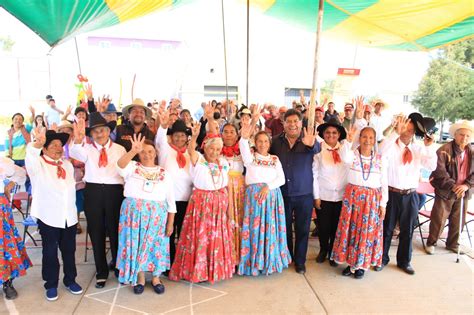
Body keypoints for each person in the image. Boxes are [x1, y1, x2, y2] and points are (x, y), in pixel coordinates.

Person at [169, 124, 234, 283]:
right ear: (205, 147)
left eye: (218, 149)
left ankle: (215, 271)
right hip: (201, 205)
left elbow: (228, 187)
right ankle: (199, 271)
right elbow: (191, 150)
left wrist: (229, 212)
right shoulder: (199, 159)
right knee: (201, 238)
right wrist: (195, 136)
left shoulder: (224, 163)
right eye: (212, 148)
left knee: (215, 238)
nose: (215, 152)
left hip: (219, 205)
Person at [70, 113, 126, 289]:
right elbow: (74, 152)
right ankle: (101, 271)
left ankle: (118, 267)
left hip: (115, 192)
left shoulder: (119, 149)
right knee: (96, 232)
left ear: (109, 130)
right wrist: (78, 140)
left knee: (116, 231)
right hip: (93, 191)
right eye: (95, 132)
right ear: (91, 134)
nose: (99, 134)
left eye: (102, 130)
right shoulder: (87, 148)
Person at [26, 128, 82, 301]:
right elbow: (30, 156)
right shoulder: (38, 164)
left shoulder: (67, 164)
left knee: (69, 250)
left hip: (69, 217)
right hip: (49, 216)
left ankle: (70, 279)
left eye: (60, 145)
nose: (59, 148)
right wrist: (37, 143)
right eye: (54, 145)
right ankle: (51, 284)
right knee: (50, 252)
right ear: (44, 148)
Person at [116, 135, 175, 295]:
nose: (146, 154)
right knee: (137, 245)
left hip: (157, 215)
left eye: (150, 151)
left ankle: (156, 277)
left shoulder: (165, 173)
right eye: (142, 152)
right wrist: (132, 151)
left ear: (155, 153)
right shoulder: (132, 166)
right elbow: (119, 166)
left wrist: (170, 223)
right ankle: (140, 277)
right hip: (134, 216)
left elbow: (171, 201)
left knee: (156, 245)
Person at [379, 114, 436, 275]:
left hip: (410, 195)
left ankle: (404, 261)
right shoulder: (390, 145)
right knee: (387, 229)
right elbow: (381, 152)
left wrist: (429, 147)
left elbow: (431, 165)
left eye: (410, 130)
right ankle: (382, 258)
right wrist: (395, 133)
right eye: (404, 128)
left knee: (407, 230)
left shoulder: (418, 149)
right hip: (391, 193)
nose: (407, 132)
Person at [330, 126, 389, 279]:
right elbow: (344, 157)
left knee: (366, 233)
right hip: (353, 199)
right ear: (359, 138)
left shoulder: (380, 159)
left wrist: (383, 204)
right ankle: (351, 263)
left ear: (374, 140)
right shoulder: (353, 155)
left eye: (370, 137)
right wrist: (349, 141)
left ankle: (362, 265)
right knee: (351, 232)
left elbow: (384, 183)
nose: (367, 140)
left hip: (371, 201)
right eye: (364, 137)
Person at [270, 108, 320, 274]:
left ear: (301, 123)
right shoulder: (275, 141)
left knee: (303, 229)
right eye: (288, 121)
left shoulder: (309, 140)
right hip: (282, 193)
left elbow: (317, 149)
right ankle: (287, 257)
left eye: (295, 121)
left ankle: (300, 261)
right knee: (283, 228)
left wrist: (311, 144)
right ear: (283, 124)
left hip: (304, 193)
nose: (292, 125)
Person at [238, 122, 290, 276]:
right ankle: (254, 262)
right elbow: (244, 148)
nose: (262, 144)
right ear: (255, 142)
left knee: (271, 229)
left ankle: (270, 261)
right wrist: (244, 138)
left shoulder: (275, 159)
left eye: (265, 141)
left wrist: (268, 187)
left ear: (269, 143)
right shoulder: (250, 158)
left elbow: (281, 179)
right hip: (255, 200)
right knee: (255, 230)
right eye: (259, 141)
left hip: (272, 197)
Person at [426, 120, 473, 254]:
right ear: (455, 135)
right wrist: (453, 186)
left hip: (463, 191)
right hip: (445, 190)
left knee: (458, 220)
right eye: (461, 135)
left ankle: (453, 244)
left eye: (467, 136)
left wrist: (466, 185)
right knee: (439, 218)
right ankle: (431, 242)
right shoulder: (443, 150)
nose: (464, 138)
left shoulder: (472, 152)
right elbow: (439, 171)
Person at [313, 118, 355, 266]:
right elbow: (314, 175)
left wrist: (348, 143)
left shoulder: (345, 149)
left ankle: (333, 252)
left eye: (334, 133)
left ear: (339, 135)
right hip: (324, 195)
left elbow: (349, 160)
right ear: (323, 134)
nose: (331, 135)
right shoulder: (318, 150)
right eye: (328, 132)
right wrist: (316, 196)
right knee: (324, 227)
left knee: (337, 227)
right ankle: (323, 249)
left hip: (342, 197)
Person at [155, 114, 193, 265]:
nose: (179, 139)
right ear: (171, 137)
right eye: (176, 135)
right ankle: (167, 263)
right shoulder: (165, 149)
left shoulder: (190, 153)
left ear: (186, 137)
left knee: (183, 233)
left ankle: (182, 263)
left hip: (186, 199)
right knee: (168, 233)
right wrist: (163, 127)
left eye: (182, 135)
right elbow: (159, 139)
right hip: (167, 200)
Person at [0, 157, 32, 300]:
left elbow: (20, 173)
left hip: (2, 211)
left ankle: (7, 282)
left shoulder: (2, 162)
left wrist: (10, 184)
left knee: (6, 246)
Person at [221, 122, 245, 264]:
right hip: (223, 188)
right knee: (224, 220)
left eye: (232, 132)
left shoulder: (243, 150)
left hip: (239, 190)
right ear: (221, 134)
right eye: (226, 131)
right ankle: (225, 257)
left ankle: (238, 257)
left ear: (237, 134)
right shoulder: (215, 149)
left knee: (239, 220)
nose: (229, 134)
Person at [58, 120, 86, 234]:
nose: (66, 133)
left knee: (77, 202)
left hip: (77, 178)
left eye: (68, 130)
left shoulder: (78, 143)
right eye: (62, 130)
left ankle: (76, 222)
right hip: (62, 178)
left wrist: (72, 161)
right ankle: (63, 221)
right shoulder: (57, 145)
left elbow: (84, 160)